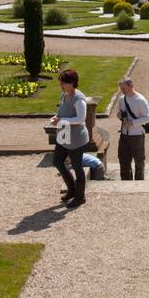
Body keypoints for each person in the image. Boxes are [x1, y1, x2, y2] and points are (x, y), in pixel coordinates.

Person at [49, 68, 89, 207]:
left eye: (63, 83)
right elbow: (63, 111)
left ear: (71, 83)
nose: (61, 85)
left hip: (77, 137)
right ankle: (72, 189)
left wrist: (62, 120)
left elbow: (81, 118)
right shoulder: (64, 95)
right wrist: (57, 117)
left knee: (77, 167)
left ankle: (80, 197)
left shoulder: (79, 99)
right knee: (58, 161)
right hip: (64, 132)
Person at [116, 77, 149, 180]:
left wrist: (132, 123)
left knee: (139, 162)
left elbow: (147, 117)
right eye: (121, 88)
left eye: (124, 88)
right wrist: (120, 116)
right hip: (124, 135)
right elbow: (119, 114)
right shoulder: (122, 100)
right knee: (123, 161)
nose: (122, 91)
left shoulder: (140, 100)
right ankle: (125, 183)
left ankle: (138, 184)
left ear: (131, 86)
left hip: (137, 135)